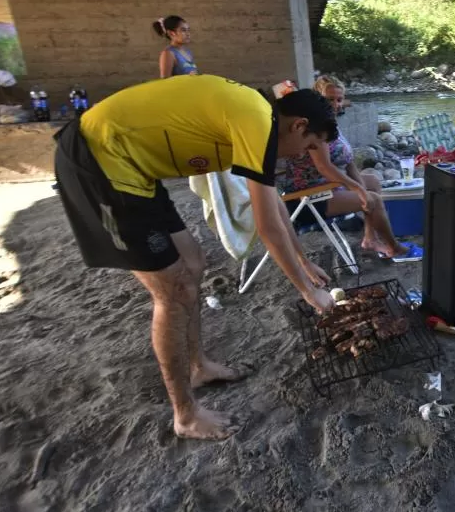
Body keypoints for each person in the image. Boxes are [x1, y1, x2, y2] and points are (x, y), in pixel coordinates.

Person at [53, 75, 339, 441]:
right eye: (309, 145)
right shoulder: (256, 120)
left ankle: (198, 367)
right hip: (99, 160)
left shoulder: (261, 118)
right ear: (298, 125)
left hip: (135, 167)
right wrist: (306, 291)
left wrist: (303, 260)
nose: (302, 155)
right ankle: (185, 416)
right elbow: (267, 226)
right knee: (174, 291)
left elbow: (273, 205)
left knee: (193, 263)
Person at [279, 75, 423, 262]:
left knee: (372, 181)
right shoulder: (316, 129)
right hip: (309, 197)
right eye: (330, 99)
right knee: (374, 200)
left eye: (339, 100)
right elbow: (324, 167)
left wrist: (361, 186)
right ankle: (394, 248)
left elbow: (349, 163)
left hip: (328, 188)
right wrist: (358, 189)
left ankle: (370, 238)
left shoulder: (331, 126)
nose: (336, 105)